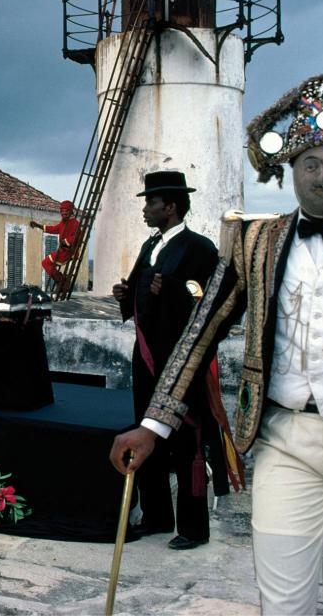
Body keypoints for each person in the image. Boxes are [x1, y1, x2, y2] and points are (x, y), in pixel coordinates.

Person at [110, 71, 323, 614]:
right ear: (290, 170)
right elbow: (200, 333)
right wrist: (153, 424)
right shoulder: (253, 243)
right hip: (285, 437)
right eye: (309, 163)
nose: (321, 177)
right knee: (282, 600)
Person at [111, 170, 223, 550]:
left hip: (180, 361)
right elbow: (139, 292)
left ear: (170, 206)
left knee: (185, 440)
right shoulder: (150, 245)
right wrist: (125, 293)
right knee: (146, 431)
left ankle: (193, 528)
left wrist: (173, 290)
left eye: (151, 203)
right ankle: (157, 516)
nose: (145, 209)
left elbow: (212, 305)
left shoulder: (200, 249)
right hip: (145, 357)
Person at [30, 200, 80, 296]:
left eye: (66, 211)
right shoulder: (63, 223)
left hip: (69, 251)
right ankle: (62, 281)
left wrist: (65, 241)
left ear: (71, 212)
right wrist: (37, 225)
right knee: (46, 263)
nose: (64, 213)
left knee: (46, 263)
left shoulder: (75, 223)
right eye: (62, 211)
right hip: (63, 251)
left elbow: (77, 237)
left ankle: (62, 282)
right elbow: (53, 229)